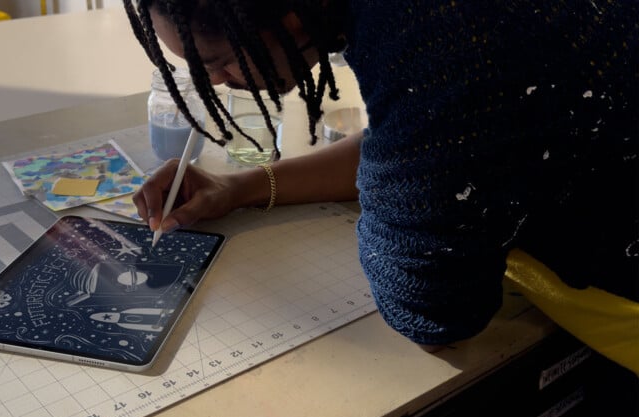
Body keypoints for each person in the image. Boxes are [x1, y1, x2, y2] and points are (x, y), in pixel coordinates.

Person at [123, 0, 638, 356]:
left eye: (217, 61)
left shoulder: (440, 36)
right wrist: (241, 186)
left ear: (291, 17)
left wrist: (401, 201)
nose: (212, 81)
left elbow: (430, 312)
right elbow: (425, 143)